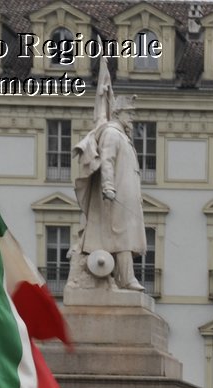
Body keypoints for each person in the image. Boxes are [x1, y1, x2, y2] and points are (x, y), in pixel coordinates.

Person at [72, 66, 146, 292]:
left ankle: (123, 278)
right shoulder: (113, 134)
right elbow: (106, 160)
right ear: (118, 113)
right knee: (122, 236)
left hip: (126, 195)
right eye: (129, 113)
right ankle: (127, 279)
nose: (132, 117)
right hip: (116, 196)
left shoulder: (122, 135)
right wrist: (108, 186)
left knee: (126, 235)